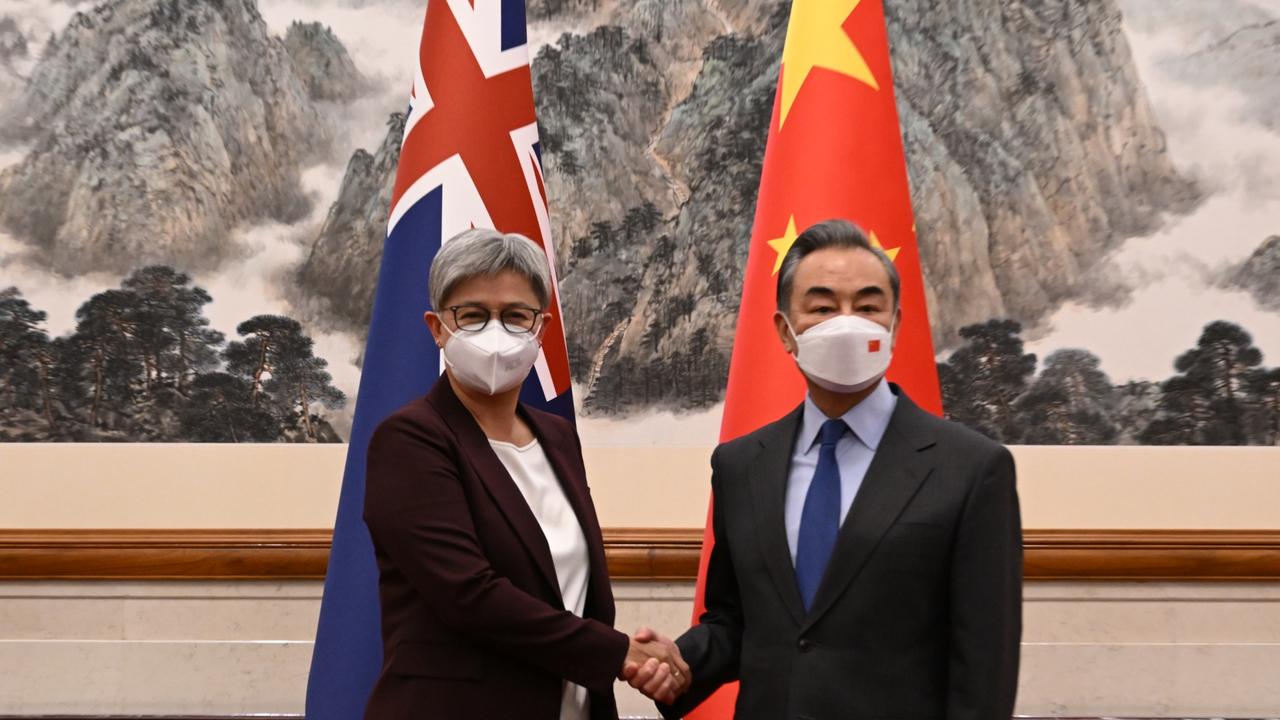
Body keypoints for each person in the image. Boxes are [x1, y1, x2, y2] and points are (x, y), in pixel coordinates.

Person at [637, 219, 1023, 719]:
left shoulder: (971, 469)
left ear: (895, 325)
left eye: (867, 306)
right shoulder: (739, 465)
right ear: (785, 330)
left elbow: (984, 665)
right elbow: (736, 620)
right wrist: (678, 664)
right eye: (822, 308)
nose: (847, 323)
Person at [361, 228, 689, 720]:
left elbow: (575, 593)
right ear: (436, 327)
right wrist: (620, 653)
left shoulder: (556, 437)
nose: (496, 332)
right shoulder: (409, 439)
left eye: (516, 316)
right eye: (472, 315)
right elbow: (469, 596)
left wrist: (633, 655)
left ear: (540, 328)